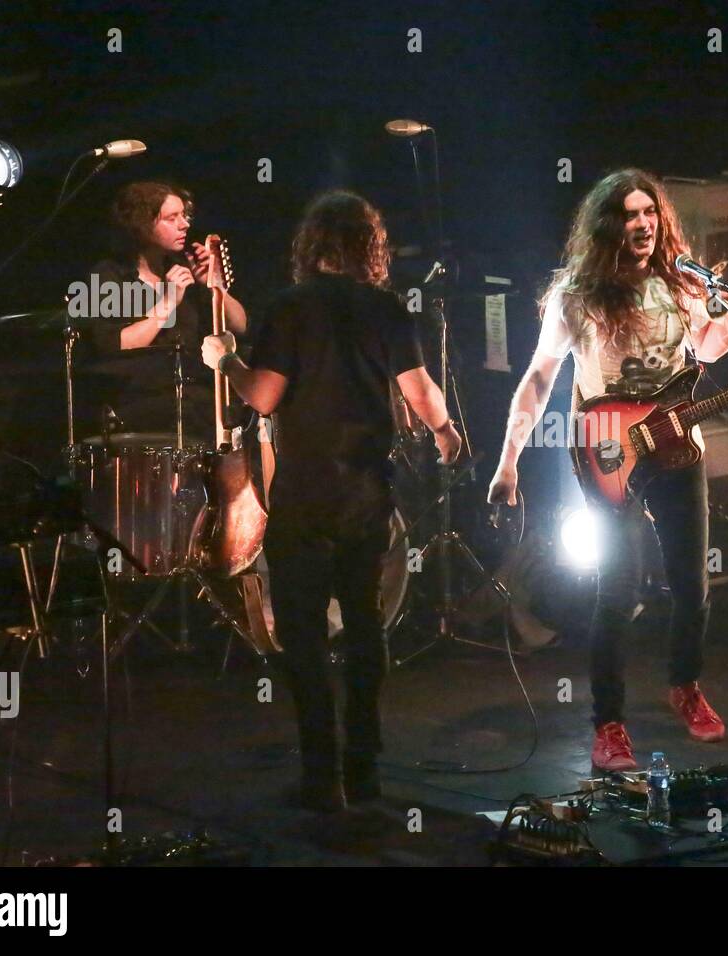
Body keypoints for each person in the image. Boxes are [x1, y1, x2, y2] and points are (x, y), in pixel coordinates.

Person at [487, 169, 728, 771]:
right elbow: (540, 375)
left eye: (651, 214)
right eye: (631, 215)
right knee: (619, 590)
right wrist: (509, 459)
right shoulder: (577, 295)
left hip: (677, 446)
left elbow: (705, 351)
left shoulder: (682, 282)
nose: (644, 224)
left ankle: (685, 685)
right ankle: (608, 724)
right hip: (607, 451)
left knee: (692, 584)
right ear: (608, 225)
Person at [202, 191, 460, 812]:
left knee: (304, 636)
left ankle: (322, 775)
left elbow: (263, 397)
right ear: (369, 248)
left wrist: (227, 360)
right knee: (367, 629)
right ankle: (364, 766)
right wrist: (449, 434)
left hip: (304, 496)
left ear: (310, 247)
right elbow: (422, 394)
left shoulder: (289, 308)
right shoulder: (387, 309)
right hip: (366, 491)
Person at [83, 181, 248, 439]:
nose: (184, 224)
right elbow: (113, 345)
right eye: (172, 218)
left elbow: (240, 325)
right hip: (141, 402)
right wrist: (168, 303)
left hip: (194, 395)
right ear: (142, 224)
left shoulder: (185, 267)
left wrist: (214, 286)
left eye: (184, 216)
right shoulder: (109, 275)